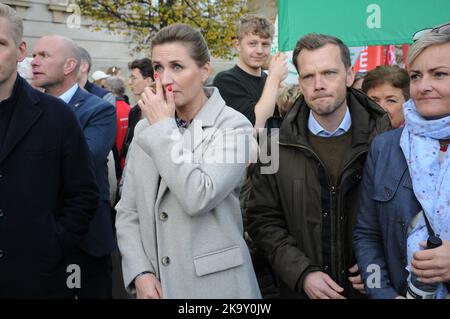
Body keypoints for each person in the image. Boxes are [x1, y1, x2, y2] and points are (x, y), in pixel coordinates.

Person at [115, 23, 260, 299]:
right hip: (156, 286)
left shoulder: (233, 126)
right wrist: (139, 272)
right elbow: (128, 210)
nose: (165, 78)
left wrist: (162, 130)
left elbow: (198, 195)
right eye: (158, 68)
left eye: (177, 67)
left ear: (204, 70)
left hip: (217, 288)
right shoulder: (146, 128)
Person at [246, 33, 391, 299]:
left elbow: (400, 217)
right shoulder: (272, 146)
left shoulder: (386, 141)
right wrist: (302, 273)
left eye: (329, 73)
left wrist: (377, 263)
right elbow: (262, 220)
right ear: (299, 81)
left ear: (349, 75)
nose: (318, 84)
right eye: (308, 76)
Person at [0, 4, 99, 298]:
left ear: (20, 52)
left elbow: (83, 194)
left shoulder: (56, 116)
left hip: (36, 279)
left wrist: (53, 243)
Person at [354, 23, 450, 299]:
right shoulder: (385, 148)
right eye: (416, 76)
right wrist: (380, 291)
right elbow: (367, 235)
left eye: (439, 74)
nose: (424, 86)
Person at [31, 35, 117, 298]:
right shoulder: (26, 108)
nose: (34, 62)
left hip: (86, 239)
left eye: (44, 56)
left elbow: (84, 161)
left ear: (69, 66)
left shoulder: (98, 110)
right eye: (34, 55)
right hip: (36, 237)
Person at [213, 14, 288, 129]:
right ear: (238, 45)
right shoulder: (225, 81)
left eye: (265, 44)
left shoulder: (270, 81)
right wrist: (274, 78)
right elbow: (257, 127)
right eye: (252, 44)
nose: (259, 51)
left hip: (274, 146)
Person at [121, 58, 154, 163]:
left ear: (148, 80)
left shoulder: (162, 110)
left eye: (134, 78)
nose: (129, 82)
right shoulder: (134, 111)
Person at [103, 76, 131, 172]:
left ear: (111, 89)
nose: (102, 91)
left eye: (104, 87)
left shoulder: (109, 110)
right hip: (126, 162)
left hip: (114, 164)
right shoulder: (129, 108)